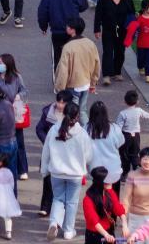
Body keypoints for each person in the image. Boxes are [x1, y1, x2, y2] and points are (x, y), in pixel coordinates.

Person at [40, 103, 93, 241]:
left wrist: (44, 169)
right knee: (71, 202)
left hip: (56, 172)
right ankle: (68, 230)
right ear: (77, 116)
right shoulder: (81, 133)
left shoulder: (54, 129)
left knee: (57, 199)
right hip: (75, 174)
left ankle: (54, 222)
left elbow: (46, 151)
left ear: (63, 113)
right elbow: (89, 155)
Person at [38, 0, 91, 68]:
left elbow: (43, 12)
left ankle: (60, 80)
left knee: (58, 57)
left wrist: (43, 26)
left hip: (57, 30)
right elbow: (84, 6)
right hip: (74, 29)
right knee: (74, 56)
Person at [37, 90, 75, 218]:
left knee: (62, 180)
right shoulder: (48, 112)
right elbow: (39, 129)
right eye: (59, 101)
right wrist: (47, 141)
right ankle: (45, 206)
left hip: (65, 153)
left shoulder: (73, 113)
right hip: (50, 151)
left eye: (63, 103)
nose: (60, 105)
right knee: (47, 178)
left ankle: (59, 206)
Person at [55, 17, 101, 123]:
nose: (66, 27)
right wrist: (93, 83)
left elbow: (63, 70)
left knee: (71, 112)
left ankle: (73, 134)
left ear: (72, 29)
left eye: (68, 26)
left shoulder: (68, 47)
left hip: (73, 85)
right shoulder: (90, 43)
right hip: (86, 83)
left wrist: (60, 88)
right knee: (83, 110)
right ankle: (87, 132)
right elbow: (96, 64)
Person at [0, 54, 30, 180]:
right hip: (0, 113)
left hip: (14, 112)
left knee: (19, 142)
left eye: (1, 62)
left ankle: (22, 169)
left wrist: (19, 96)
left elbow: (24, 91)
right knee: (2, 141)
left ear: (8, 64)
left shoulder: (16, 77)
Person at [95, 0, 134, 85]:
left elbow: (131, 13)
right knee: (108, 51)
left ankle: (117, 72)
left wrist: (132, 28)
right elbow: (98, 15)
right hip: (108, 30)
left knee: (120, 51)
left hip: (123, 30)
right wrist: (97, 29)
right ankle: (107, 75)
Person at [116, 91, 149, 187]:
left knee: (124, 155)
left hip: (126, 136)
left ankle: (125, 173)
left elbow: (118, 127)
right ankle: (137, 170)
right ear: (137, 102)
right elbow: (148, 116)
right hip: (136, 136)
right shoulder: (139, 111)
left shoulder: (122, 113)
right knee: (135, 153)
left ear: (125, 101)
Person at [83, 165, 129, 244]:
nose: (111, 183)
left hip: (108, 231)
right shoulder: (88, 199)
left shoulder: (110, 192)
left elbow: (119, 209)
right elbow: (94, 221)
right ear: (100, 183)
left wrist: (124, 225)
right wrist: (106, 235)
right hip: (94, 235)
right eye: (107, 182)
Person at [87, 101, 126, 186]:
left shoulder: (86, 129)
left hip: (95, 171)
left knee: (97, 196)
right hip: (114, 170)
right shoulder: (115, 128)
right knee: (113, 197)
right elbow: (121, 143)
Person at [124, 0, 149, 83]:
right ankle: (140, 67)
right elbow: (133, 29)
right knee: (140, 59)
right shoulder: (140, 19)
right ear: (144, 8)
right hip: (141, 44)